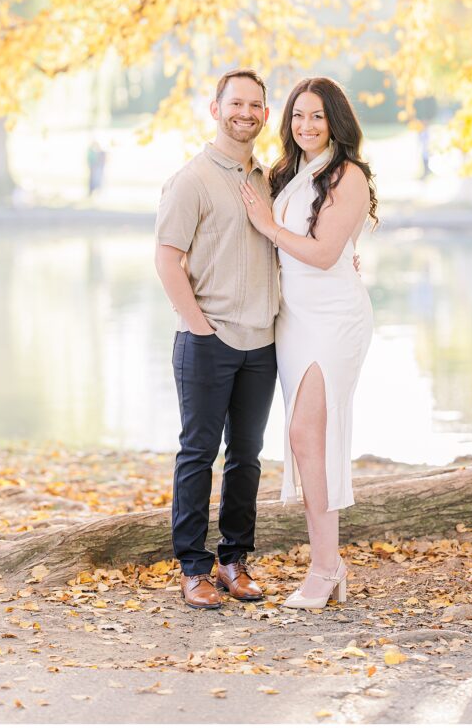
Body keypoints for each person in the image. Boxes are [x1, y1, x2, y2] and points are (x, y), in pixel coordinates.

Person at [240, 76, 377, 610]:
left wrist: (266, 224)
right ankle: (328, 564)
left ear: (336, 120)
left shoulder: (349, 175)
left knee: (309, 434)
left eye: (317, 115)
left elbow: (321, 254)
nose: (306, 125)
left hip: (334, 318)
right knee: (304, 440)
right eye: (297, 115)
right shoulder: (291, 175)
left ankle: (325, 568)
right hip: (293, 318)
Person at [154, 70, 278, 611]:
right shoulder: (192, 179)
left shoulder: (269, 180)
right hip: (207, 340)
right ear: (215, 109)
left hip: (263, 343)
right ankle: (194, 568)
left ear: (265, 115)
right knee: (198, 454)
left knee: (247, 456)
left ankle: (233, 560)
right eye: (236, 103)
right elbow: (166, 258)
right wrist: (199, 326)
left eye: (255, 105)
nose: (245, 113)